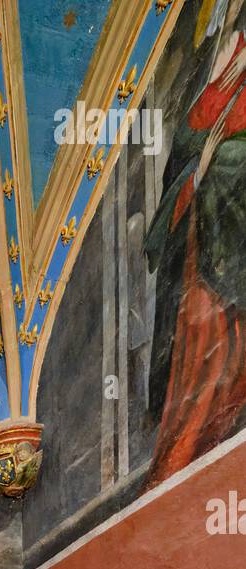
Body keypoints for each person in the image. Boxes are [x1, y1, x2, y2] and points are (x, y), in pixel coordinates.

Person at [144, 0, 246, 488]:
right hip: (198, 234)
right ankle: (184, 447)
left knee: (219, 351)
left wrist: (219, 156)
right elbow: (189, 136)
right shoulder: (219, 59)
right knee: (195, 353)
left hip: (222, 236)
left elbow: (224, 146)